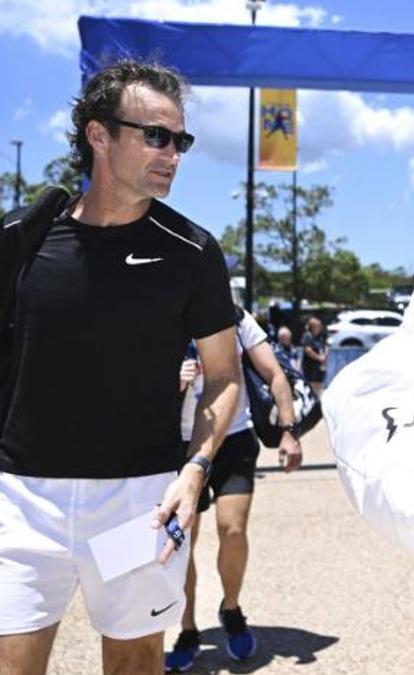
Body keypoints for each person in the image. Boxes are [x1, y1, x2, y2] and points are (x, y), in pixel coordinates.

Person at [0, 59, 242, 673]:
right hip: (23, 497)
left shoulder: (193, 252)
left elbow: (224, 375)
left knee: (136, 664)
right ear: (98, 135)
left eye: (179, 140)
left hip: (143, 499)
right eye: (156, 136)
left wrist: (194, 472)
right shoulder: (19, 240)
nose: (173, 154)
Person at [166, 308, 304, 672]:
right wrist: (174, 382)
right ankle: (188, 629)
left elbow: (274, 374)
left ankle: (231, 608)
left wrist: (290, 430)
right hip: (179, 444)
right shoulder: (165, 312)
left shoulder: (234, 317)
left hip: (235, 438)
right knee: (182, 542)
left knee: (234, 530)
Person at [301, 317, 328, 396]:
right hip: (310, 365)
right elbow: (307, 350)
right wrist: (319, 357)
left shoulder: (321, 336)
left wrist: (324, 355)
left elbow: (326, 346)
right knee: (311, 385)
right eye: (318, 326)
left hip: (321, 365)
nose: (320, 327)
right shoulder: (307, 336)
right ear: (312, 326)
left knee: (320, 384)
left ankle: (318, 400)